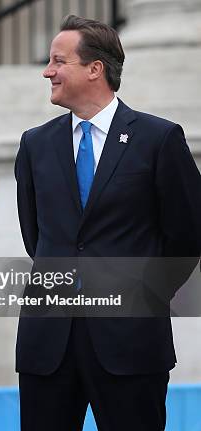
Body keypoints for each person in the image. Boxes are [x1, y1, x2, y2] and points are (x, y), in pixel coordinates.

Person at [15, 15, 201, 431]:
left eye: (58, 61)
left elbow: (188, 237)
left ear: (94, 69)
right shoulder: (35, 144)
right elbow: (36, 236)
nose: (48, 71)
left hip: (131, 344)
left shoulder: (159, 139)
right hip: (48, 346)